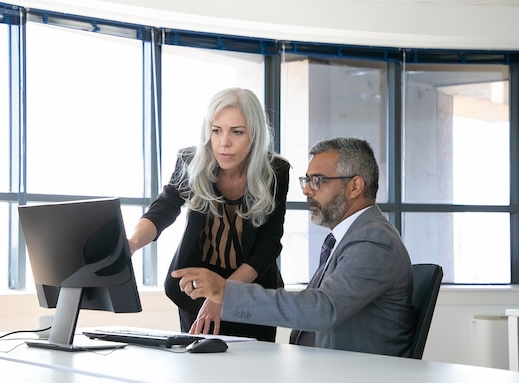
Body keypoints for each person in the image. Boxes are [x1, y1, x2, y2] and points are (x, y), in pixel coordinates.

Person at [173, 137, 415, 357]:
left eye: (317, 181)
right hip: (329, 375)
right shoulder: (349, 237)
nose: (307, 190)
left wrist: (226, 292)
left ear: (355, 186)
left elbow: (322, 309)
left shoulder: (373, 240)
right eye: (306, 180)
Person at [127, 87, 290, 342]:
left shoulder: (275, 171)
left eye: (237, 132)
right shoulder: (192, 161)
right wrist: (133, 242)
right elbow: (164, 208)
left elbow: (268, 246)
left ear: (255, 134)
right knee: (198, 372)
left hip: (250, 295)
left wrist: (224, 294)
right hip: (195, 291)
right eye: (217, 131)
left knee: (254, 375)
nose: (224, 142)